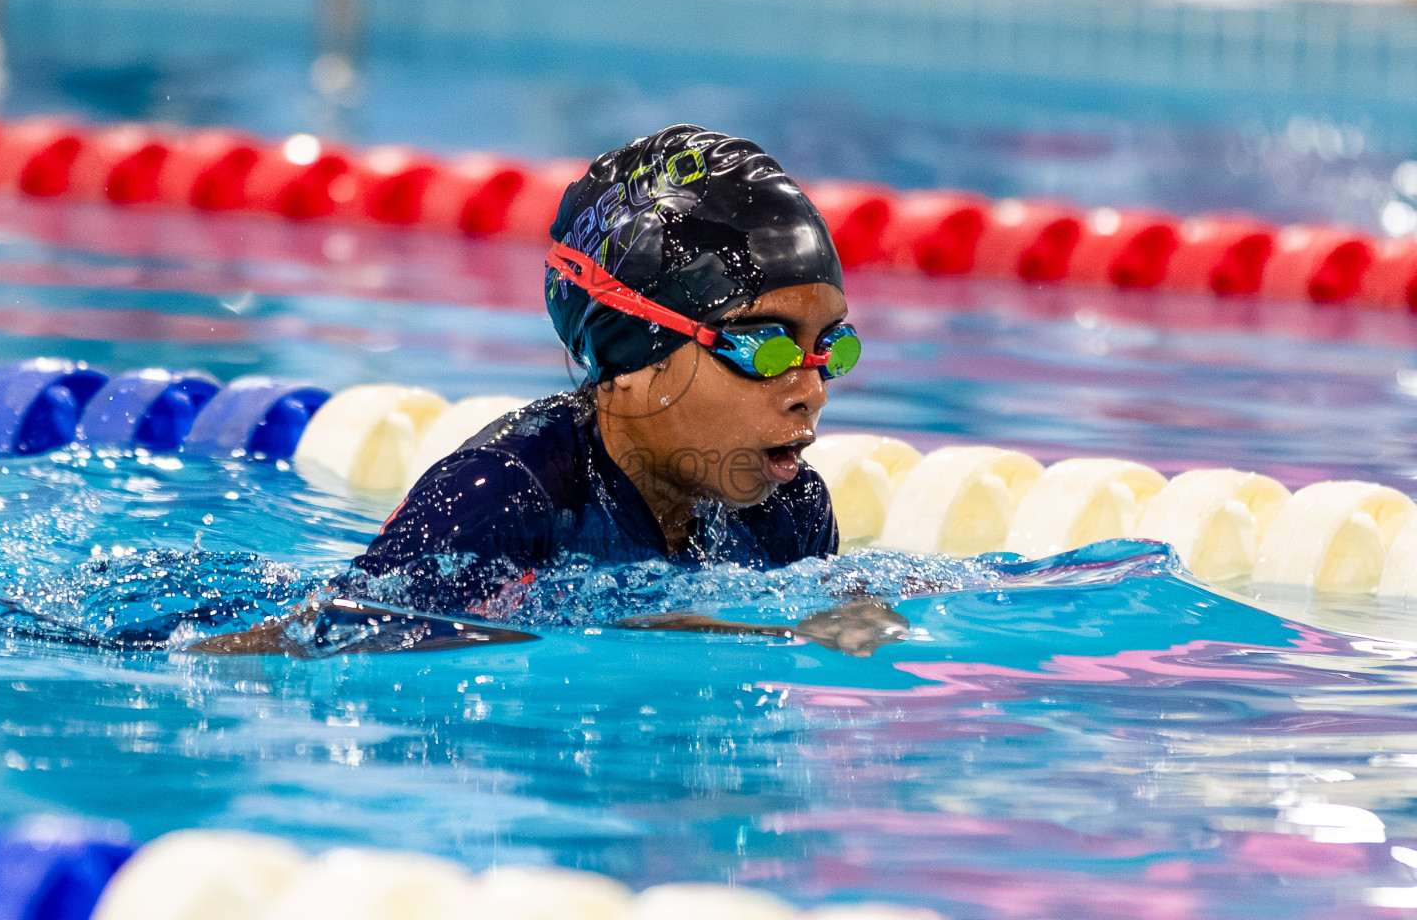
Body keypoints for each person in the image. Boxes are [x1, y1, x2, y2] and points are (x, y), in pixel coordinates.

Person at [191, 125, 907, 657]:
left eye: (828, 347)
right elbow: (309, 643)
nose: (809, 388)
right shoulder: (503, 495)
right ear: (636, 355)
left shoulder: (789, 507)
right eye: (765, 347)